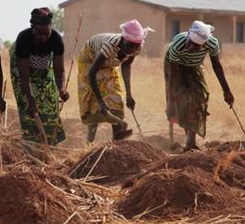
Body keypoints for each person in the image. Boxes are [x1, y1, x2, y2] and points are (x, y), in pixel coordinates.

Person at [78, 20, 154, 143]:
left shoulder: (137, 47)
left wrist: (129, 95)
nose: (132, 50)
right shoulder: (110, 45)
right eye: (129, 45)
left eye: (135, 46)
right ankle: (88, 144)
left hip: (108, 64)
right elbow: (92, 73)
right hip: (90, 61)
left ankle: (116, 143)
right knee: (93, 104)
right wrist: (100, 101)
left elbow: (126, 66)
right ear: (123, 39)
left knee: (116, 100)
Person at [165, 21, 234, 150]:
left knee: (199, 97)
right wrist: (170, 103)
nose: (191, 47)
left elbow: (217, 65)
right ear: (188, 37)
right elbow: (174, 78)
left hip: (195, 65)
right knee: (183, 99)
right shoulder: (177, 45)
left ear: (203, 45)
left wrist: (226, 90)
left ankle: (190, 142)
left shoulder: (212, 44)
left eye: (196, 46)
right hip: (176, 65)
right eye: (190, 43)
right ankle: (190, 142)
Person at [10, 7, 69, 145]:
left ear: (51, 28)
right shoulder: (23, 38)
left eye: (46, 33)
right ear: (33, 27)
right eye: (39, 33)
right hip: (22, 70)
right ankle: (31, 144)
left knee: (49, 101)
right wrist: (30, 98)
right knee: (28, 106)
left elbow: (59, 70)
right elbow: (24, 74)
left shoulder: (55, 39)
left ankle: (49, 143)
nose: (43, 37)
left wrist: (61, 89)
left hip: (43, 67)